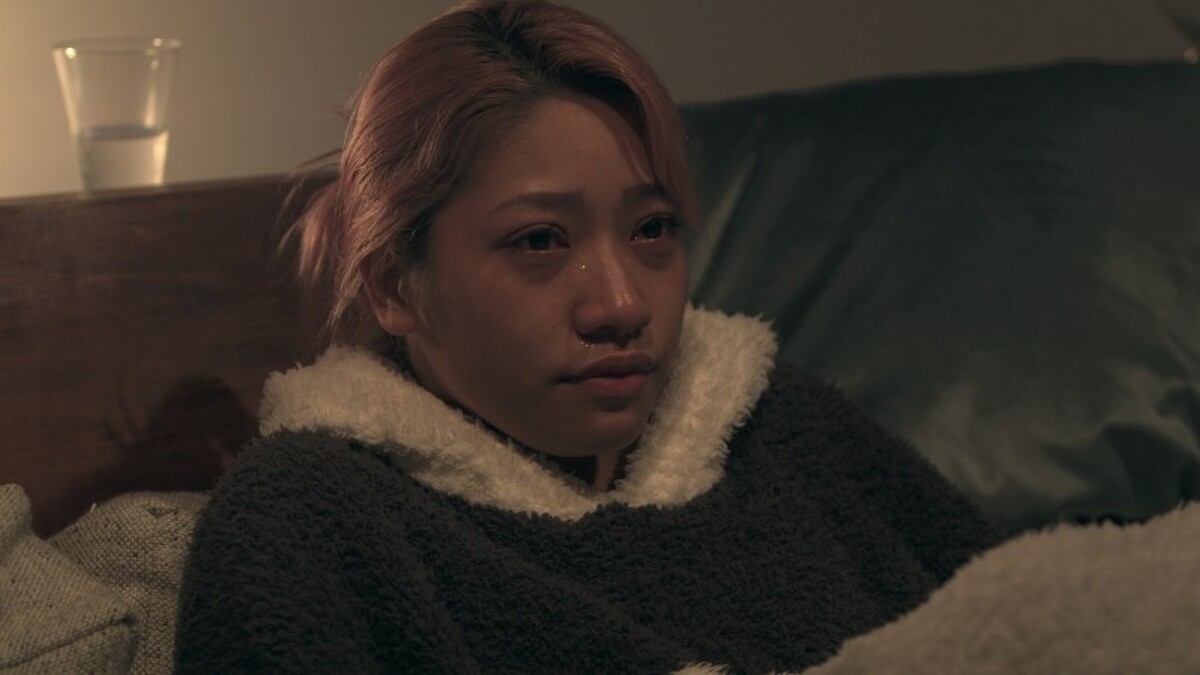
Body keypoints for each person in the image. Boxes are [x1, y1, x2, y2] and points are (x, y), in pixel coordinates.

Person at [175, 1, 998, 672]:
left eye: (652, 229)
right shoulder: (314, 519)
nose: (621, 304)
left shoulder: (773, 424)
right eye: (540, 240)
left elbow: (1030, 610)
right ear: (396, 285)